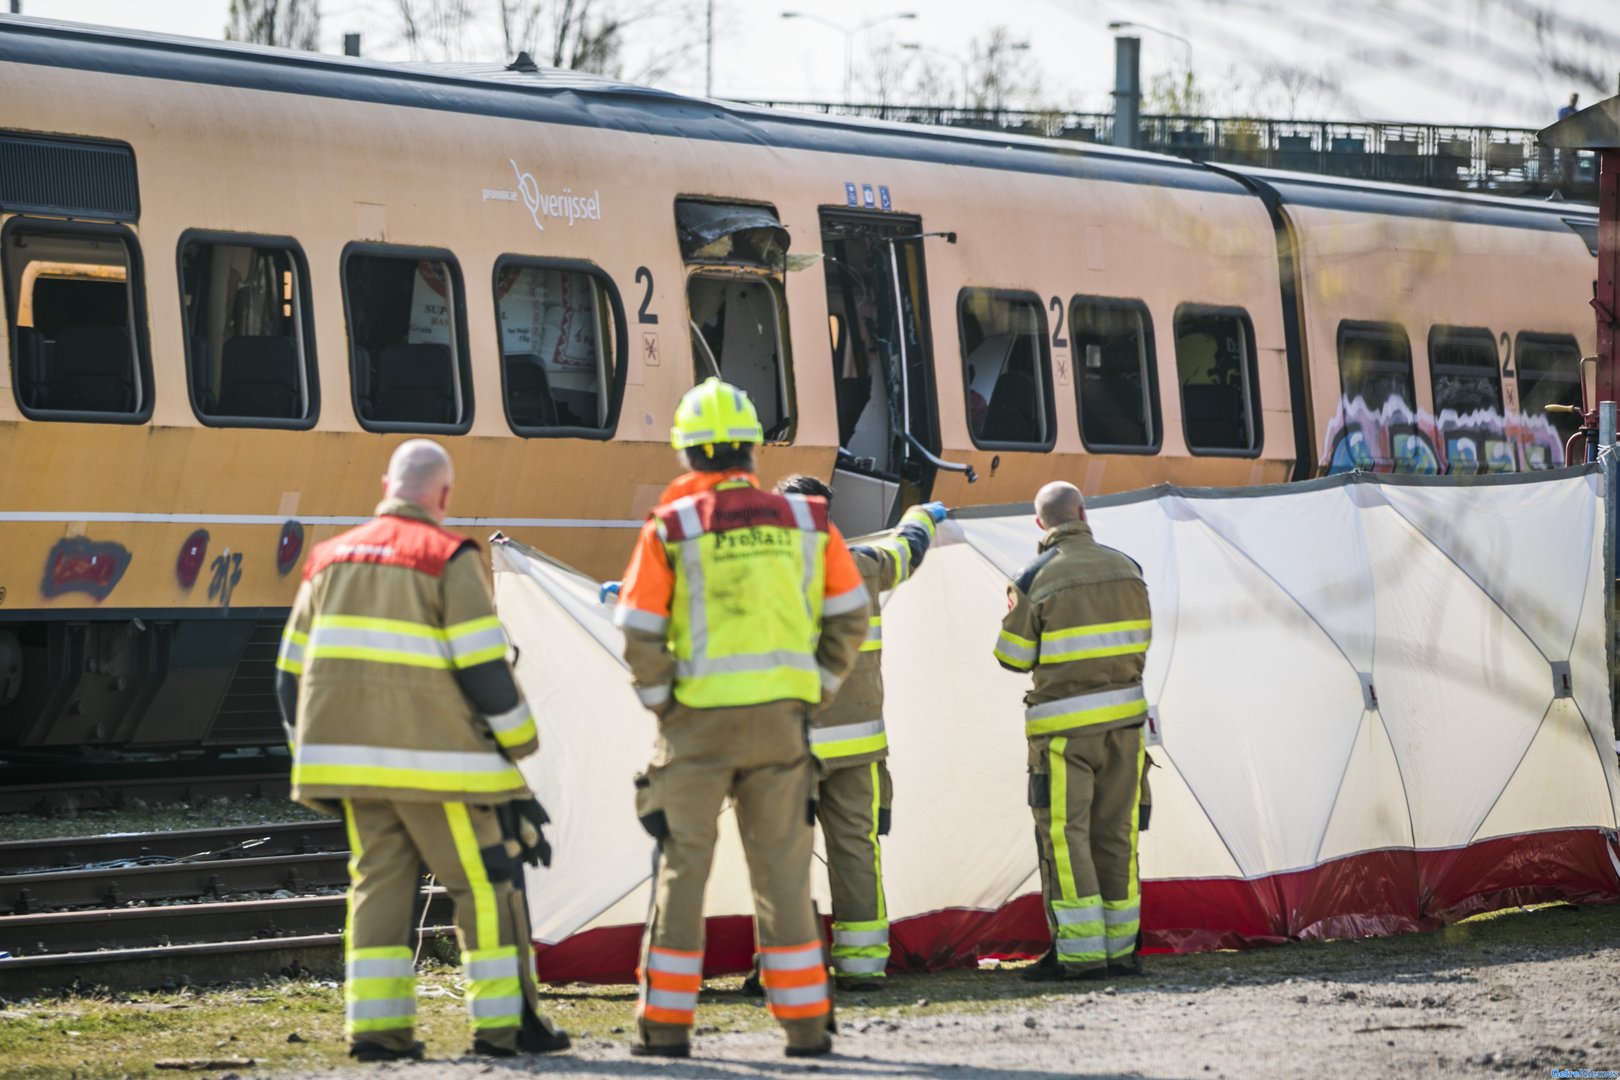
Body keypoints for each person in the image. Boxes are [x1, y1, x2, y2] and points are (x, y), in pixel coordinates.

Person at [275, 439, 569, 1061]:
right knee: (484, 886)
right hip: (442, 772)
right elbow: (485, 669)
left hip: (354, 768)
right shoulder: (446, 557)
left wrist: (311, 752)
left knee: (378, 887)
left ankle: (377, 1035)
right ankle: (504, 1029)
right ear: (444, 496)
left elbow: (288, 675)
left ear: (387, 484)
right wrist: (520, 744)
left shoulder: (329, 559)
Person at [614, 378, 869, 1058]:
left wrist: (664, 702)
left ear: (688, 455)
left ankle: (665, 1031)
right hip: (781, 726)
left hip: (696, 727)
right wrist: (815, 687)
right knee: (784, 877)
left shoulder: (672, 526)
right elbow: (850, 613)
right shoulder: (808, 521)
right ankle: (807, 1029)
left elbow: (638, 630)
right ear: (753, 450)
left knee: (682, 873)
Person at [775, 476, 946, 989]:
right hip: (858, 746)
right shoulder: (861, 566)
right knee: (857, 852)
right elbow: (907, 551)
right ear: (828, 515)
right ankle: (863, 965)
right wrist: (922, 517)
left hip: (787, 748)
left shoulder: (760, 575)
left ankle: (784, 968)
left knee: (781, 857)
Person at [994, 481, 1151, 981]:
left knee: (1066, 837)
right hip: (1126, 727)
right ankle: (1121, 950)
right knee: (1116, 834)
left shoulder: (1034, 577)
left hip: (1064, 733)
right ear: (1083, 512)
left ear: (1041, 524)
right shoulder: (1128, 568)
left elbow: (1012, 658)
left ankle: (1080, 955)